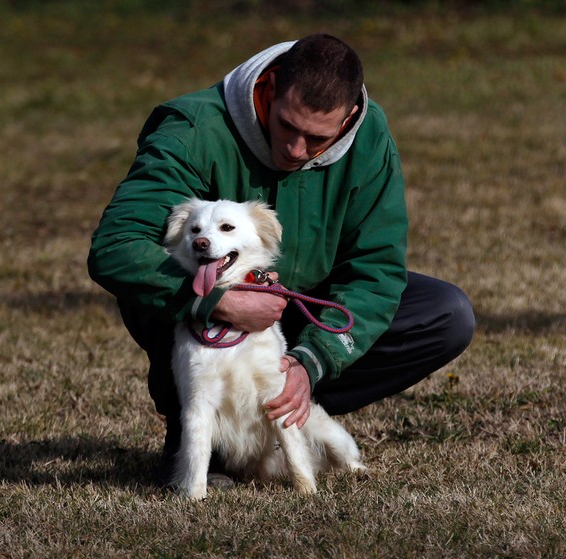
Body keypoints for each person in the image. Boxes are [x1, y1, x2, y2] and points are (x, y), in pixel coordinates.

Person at [87, 34, 475, 487]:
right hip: (201, 311)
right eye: (287, 125)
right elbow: (115, 246)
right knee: (156, 283)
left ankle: (276, 413)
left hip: (302, 307)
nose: (295, 148)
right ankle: (198, 436)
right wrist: (215, 301)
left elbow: (375, 272)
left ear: (348, 118)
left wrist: (310, 360)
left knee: (445, 314)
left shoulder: (370, 136)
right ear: (269, 88)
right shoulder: (193, 128)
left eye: (316, 138)